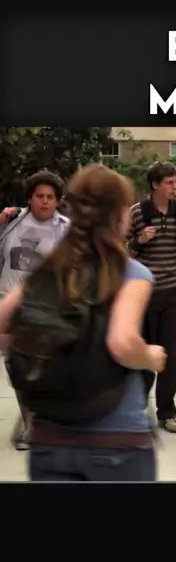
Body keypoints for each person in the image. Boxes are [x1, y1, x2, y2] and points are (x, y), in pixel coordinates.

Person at [0, 164, 167, 482]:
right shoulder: (131, 273)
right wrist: (151, 356)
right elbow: (122, 344)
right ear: (120, 214)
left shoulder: (47, 271)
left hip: (49, 442)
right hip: (118, 442)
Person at [0, 170, 70, 451]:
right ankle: (30, 424)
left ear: (58, 200)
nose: (44, 201)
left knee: (45, 368)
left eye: (50, 197)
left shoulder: (65, 229)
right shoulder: (11, 222)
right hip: (9, 303)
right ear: (29, 198)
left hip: (47, 307)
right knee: (17, 367)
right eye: (39, 196)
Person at [127, 162, 176, 435]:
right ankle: (137, 411)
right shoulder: (137, 212)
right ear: (155, 185)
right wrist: (139, 241)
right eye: (169, 183)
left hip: (174, 289)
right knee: (143, 352)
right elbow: (124, 250)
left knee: (173, 352)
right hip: (144, 291)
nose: (175, 187)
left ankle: (167, 412)